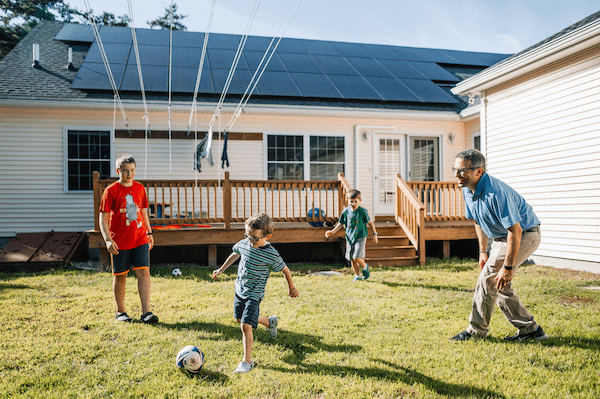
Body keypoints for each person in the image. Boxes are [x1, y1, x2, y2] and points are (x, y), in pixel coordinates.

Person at [449, 149, 548, 342]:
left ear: (478, 171)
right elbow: (477, 221)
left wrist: (508, 267)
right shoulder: (467, 190)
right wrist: (482, 251)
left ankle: (476, 331)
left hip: (525, 235)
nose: (457, 175)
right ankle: (530, 330)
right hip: (503, 238)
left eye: (462, 171)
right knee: (499, 284)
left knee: (489, 279)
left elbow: (515, 230)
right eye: (455, 169)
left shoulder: (495, 192)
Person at [212, 213, 299, 374]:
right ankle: (268, 322)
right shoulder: (245, 243)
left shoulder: (271, 254)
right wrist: (222, 269)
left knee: (246, 326)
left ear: (267, 236)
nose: (249, 240)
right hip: (240, 289)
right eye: (247, 235)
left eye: (254, 238)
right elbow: (235, 253)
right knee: (239, 319)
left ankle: (247, 362)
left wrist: (291, 288)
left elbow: (285, 270)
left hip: (255, 293)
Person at [99, 154, 158, 324]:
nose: (129, 174)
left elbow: (144, 212)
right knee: (120, 275)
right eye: (125, 171)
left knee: (144, 272)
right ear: (118, 171)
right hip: (119, 240)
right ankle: (120, 311)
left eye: (132, 170)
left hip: (139, 238)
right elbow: (103, 218)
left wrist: (149, 232)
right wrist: (108, 240)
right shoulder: (111, 191)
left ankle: (146, 312)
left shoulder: (140, 188)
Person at [325, 189, 378, 281]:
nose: (353, 204)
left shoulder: (362, 211)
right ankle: (358, 276)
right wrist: (332, 231)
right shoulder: (346, 211)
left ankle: (365, 267)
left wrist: (375, 234)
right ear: (348, 201)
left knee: (356, 257)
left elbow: (370, 223)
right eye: (351, 201)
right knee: (352, 259)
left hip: (360, 237)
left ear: (360, 201)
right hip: (350, 238)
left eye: (355, 201)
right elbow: (340, 223)